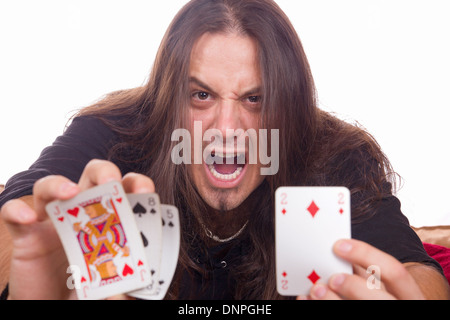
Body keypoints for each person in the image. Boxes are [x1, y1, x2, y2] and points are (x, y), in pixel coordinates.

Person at [0, 0, 449, 300]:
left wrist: (400, 292)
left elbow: (416, 270)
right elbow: (21, 213)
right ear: (168, 99)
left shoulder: (335, 154)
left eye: (255, 99)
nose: (227, 130)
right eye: (201, 96)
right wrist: (34, 267)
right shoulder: (114, 134)